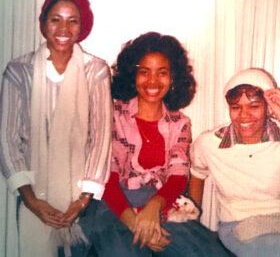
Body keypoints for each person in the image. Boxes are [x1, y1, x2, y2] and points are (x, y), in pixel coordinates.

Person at [79, 31, 233, 256]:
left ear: (173, 79)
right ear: (133, 75)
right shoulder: (113, 114)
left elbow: (178, 176)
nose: (152, 81)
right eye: (144, 72)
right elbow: (107, 178)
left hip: (161, 203)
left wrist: (154, 210)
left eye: (162, 73)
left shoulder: (180, 122)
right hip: (115, 207)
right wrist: (136, 223)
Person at [0, 0, 112, 257]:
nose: (64, 28)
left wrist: (82, 200)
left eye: (72, 20)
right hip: (33, 191)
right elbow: (7, 138)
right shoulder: (19, 71)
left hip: (83, 194)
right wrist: (31, 200)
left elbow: (101, 137)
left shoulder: (94, 70)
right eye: (55, 19)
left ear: (82, 26)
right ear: (43, 24)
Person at [189, 68, 280, 256]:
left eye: (254, 106)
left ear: (268, 107)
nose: (244, 115)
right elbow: (197, 173)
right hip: (240, 226)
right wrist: (192, 222)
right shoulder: (209, 143)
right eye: (236, 107)